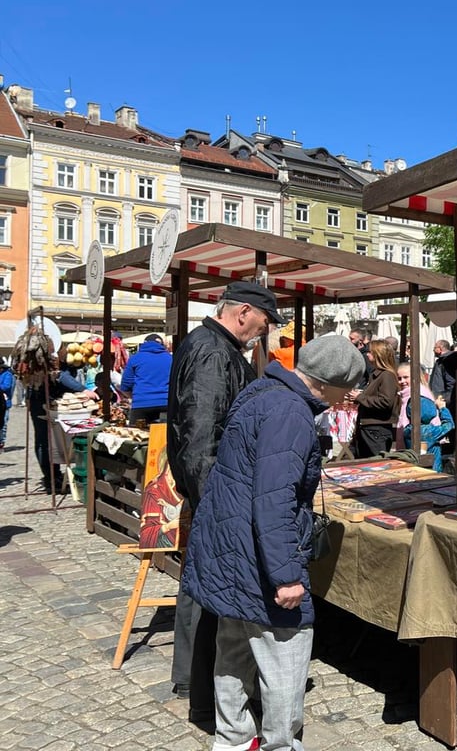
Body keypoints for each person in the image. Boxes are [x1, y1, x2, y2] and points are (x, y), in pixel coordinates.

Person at [182, 335, 364, 751]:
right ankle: (280, 745)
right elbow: (274, 499)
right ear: (328, 382)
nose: (349, 396)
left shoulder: (264, 390)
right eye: (347, 387)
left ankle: (233, 739)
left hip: (231, 546)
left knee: (234, 646)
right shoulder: (289, 412)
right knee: (285, 655)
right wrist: (285, 576)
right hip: (254, 554)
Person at [167, 280, 285, 726]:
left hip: (213, 491)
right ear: (241, 314)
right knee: (209, 595)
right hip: (216, 494)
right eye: (263, 321)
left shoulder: (211, 346)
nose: (265, 330)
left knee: (204, 592)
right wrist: (217, 501)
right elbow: (200, 438)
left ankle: (196, 686)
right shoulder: (215, 352)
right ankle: (202, 697)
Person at [26, 347, 99, 493]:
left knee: (49, 440)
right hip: (40, 402)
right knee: (44, 441)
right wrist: (83, 390)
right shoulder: (55, 361)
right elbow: (61, 376)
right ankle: (51, 479)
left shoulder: (65, 360)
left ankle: (55, 475)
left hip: (45, 401)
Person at [349, 339, 400, 458]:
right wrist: (358, 397)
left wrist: (360, 397)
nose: (367, 354)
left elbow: (386, 402)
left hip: (376, 430)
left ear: (379, 355)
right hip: (369, 427)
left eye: (371, 352)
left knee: (376, 464)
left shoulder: (387, 375)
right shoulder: (377, 375)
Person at [119, 334, 172, 425]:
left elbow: (125, 386)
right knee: (163, 437)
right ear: (162, 345)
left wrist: (136, 397)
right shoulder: (171, 359)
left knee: (138, 436)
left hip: (141, 405)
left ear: (144, 344)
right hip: (166, 404)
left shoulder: (135, 359)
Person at [395, 362, 440, 450]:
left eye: (405, 377)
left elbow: (431, 418)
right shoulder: (406, 393)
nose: (402, 381)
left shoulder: (420, 393)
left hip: (421, 441)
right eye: (399, 378)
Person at [405, 394, 455, 472]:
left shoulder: (408, 429)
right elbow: (449, 425)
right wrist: (442, 408)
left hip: (417, 470)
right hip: (433, 470)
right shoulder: (428, 431)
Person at [0, 358, 14, 451]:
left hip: (4, 402)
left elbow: (6, 386)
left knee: (3, 423)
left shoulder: (7, 374)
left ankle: (1, 442)